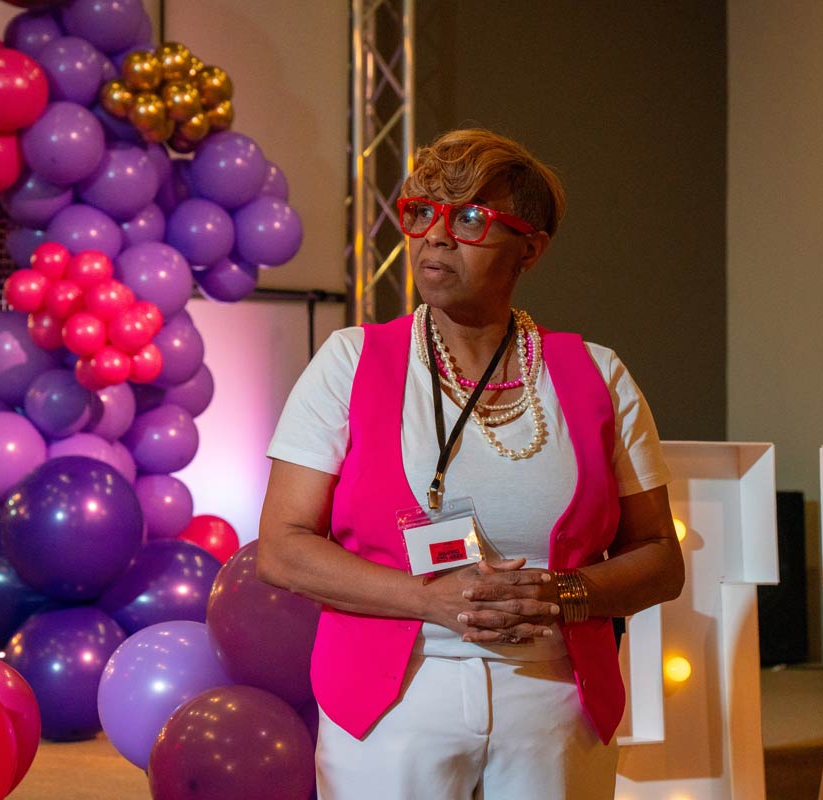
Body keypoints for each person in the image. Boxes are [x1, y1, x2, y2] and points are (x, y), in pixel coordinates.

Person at [258, 128, 684, 799]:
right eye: (422, 211)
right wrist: (430, 600)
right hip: (391, 699)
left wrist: (565, 594)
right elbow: (282, 549)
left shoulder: (598, 374)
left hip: (554, 698)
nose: (435, 236)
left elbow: (659, 556)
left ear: (530, 249)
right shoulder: (349, 362)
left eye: (469, 219)